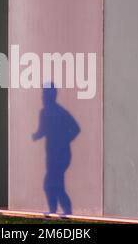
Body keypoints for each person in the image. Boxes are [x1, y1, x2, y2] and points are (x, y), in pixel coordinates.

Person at [32, 83, 80, 215]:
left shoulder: (61, 112)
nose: (43, 97)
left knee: (53, 183)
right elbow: (42, 131)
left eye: (45, 94)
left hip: (61, 155)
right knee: (52, 184)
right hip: (51, 155)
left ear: (51, 96)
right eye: (43, 94)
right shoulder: (44, 113)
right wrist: (35, 136)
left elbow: (76, 128)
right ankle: (54, 210)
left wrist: (64, 140)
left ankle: (66, 210)